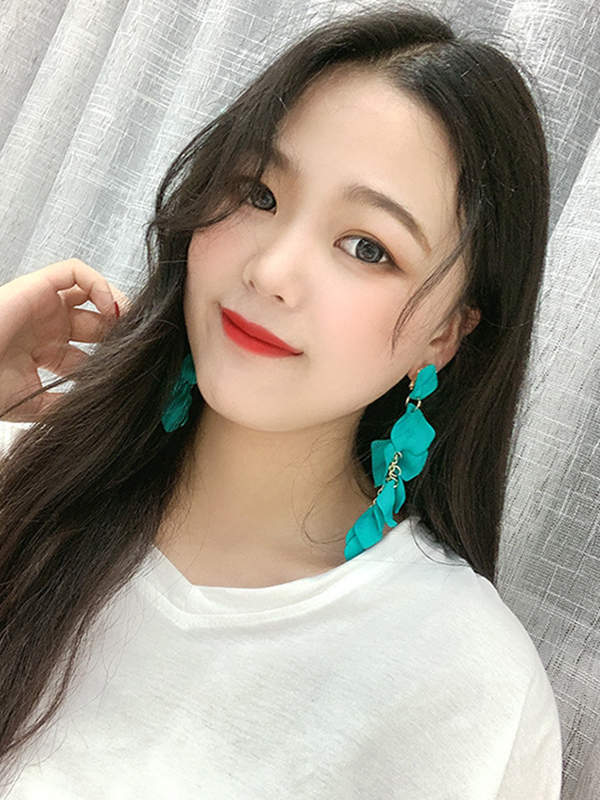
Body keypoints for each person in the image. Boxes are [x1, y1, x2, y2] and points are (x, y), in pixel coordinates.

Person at [0, 6, 562, 798]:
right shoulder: (24, 479)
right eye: (258, 193)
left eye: (367, 247)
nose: (271, 273)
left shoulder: (463, 687)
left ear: (445, 333)